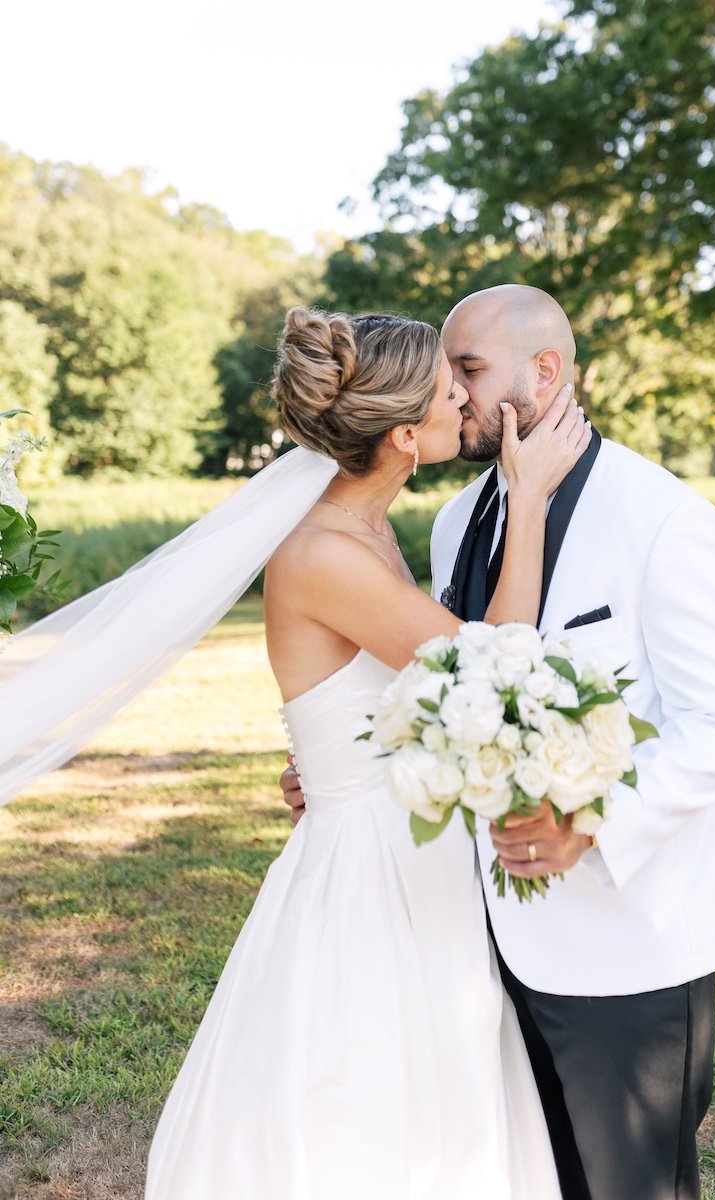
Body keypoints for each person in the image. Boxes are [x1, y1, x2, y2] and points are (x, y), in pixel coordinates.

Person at [0, 306, 593, 1198]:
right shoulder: (325, 553)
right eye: (446, 391)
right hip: (368, 878)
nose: (465, 403)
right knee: (362, 1116)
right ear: (403, 436)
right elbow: (494, 674)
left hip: (408, 857)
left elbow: (399, 698)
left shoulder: (372, 533)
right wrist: (534, 501)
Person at [284, 285, 715, 1200]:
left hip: (628, 945)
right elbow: (452, 690)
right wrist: (363, 765)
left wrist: (592, 824)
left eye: (468, 371)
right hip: (472, 940)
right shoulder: (457, 518)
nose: (458, 397)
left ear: (545, 371)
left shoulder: (667, 519)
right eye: (449, 378)